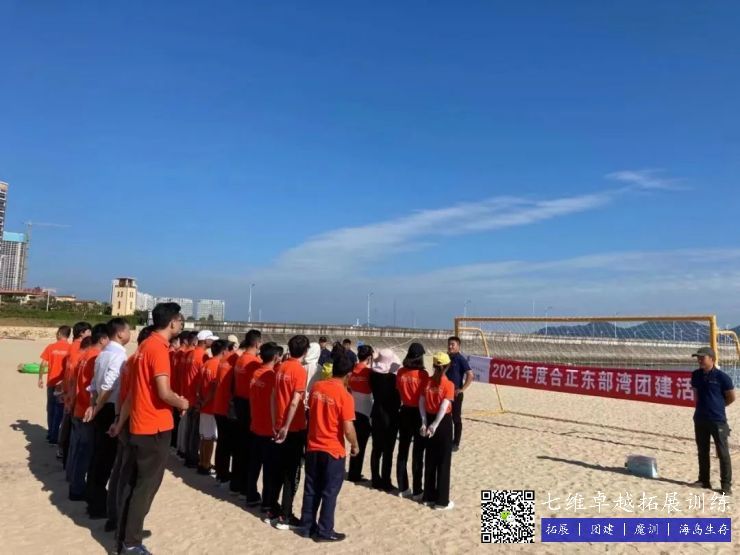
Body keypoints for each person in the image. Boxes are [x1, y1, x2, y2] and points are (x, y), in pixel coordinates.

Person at [112, 302, 188, 554]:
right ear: (172, 322)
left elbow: (133, 393)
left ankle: (125, 536)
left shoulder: (143, 347)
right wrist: (181, 402)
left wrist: (120, 422)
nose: (181, 323)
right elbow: (164, 392)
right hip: (154, 427)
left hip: (138, 424)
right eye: (180, 319)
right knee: (145, 487)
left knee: (133, 484)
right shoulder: (158, 349)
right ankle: (131, 543)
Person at [298, 346, 359, 543]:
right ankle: (325, 530)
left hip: (313, 445)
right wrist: (355, 445)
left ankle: (306, 526)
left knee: (311, 488)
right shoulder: (345, 396)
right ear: (348, 374)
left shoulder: (317, 387)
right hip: (332, 449)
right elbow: (348, 428)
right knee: (329, 492)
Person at [105, 325, 154, 534]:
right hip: (133, 420)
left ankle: (114, 517)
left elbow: (121, 395)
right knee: (128, 475)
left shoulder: (130, 361)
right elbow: (131, 396)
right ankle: (120, 521)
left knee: (120, 470)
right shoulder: (137, 363)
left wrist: (118, 419)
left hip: (124, 418)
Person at [85, 318, 131, 519]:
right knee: (106, 459)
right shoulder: (119, 355)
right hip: (109, 408)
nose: (130, 334)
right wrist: (97, 407)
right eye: (128, 330)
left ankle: (92, 498)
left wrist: (94, 404)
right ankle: (98, 505)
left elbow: (94, 384)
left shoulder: (103, 354)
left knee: (98, 455)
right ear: (120, 333)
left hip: (102, 407)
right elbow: (108, 386)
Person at [68, 323, 109, 501]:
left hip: (79, 406)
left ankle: (73, 481)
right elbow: (95, 386)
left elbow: (74, 380)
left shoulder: (85, 354)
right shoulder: (96, 357)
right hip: (87, 409)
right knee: (85, 452)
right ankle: (77, 489)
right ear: (102, 339)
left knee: (77, 448)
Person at [273, 335, 310, 530]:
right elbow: (295, 401)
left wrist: (275, 422)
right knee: (292, 472)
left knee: (279, 469)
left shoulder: (281, 367)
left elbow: (274, 396)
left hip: (280, 422)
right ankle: (285, 515)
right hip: (293, 426)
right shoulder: (299, 370)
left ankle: (273, 508)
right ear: (305, 351)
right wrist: (286, 426)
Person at [691, 346, 735, 495]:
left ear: (712, 359)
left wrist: (718, 406)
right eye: (698, 358)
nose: (699, 360)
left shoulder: (722, 377)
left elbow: (731, 397)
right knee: (702, 451)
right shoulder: (696, 375)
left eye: (702, 357)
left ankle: (726, 485)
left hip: (717, 420)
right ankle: (704, 480)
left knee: (723, 453)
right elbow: (696, 394)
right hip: (700, 418)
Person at [246, 342, 280, 512]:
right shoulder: (271, 376)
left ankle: (251, 495)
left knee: (254, 464)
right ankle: (267, 502)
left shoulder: (256, 373)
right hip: (267, 427)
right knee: (269, 468)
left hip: (256, 424)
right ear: (275, 357)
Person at [420, 352, 455, 510]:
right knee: (443, 462)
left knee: (430, 459)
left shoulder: (427, 382)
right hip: (442, 423)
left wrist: (424, 422)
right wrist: (434, 424)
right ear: (447, 366)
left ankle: (428, 496)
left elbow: (421, 402)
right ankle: (441, 501)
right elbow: (444, 406)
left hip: (429, 418)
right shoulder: (448, 384)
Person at [231, 329, 262, 496]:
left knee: (239, 446)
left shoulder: (240, 359)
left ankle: (236, 483)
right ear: (257, 343)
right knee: (248, 449)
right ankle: (244, 486)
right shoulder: (253, 362)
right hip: (248, 404)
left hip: (238, 402)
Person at [395, 342, 428, 499]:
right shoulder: (423, 375)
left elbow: (398, 390)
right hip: (418, 413)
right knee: (418, 453)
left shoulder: (401, 372)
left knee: (403, 450)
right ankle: (417, 489)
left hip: (405, 411)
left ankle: (403, 487)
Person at [59, 322, 92, 465]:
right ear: (82, 333)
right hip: (73, 393)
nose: (90, 334)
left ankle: (63, 450)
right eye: (88, 331)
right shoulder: (78, 348)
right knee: (69, 424)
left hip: (70, 390)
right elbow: (72, 371)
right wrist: (68, 393)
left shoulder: (73, 346)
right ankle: (63, 451)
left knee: (68, 422)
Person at [369, 348, 401, 491]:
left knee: (376, 449)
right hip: (390, 415)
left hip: (377, 412)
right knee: (388, 450)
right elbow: (398, 398)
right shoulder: (393, 379)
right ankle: (386, 480)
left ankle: (375, 479)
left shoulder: (373, 375)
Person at [183, 330, 215, 467]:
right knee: (195, 431)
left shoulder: (191, 353)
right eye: (211, 339)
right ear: (205, 341)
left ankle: (188, 456)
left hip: (189, 395)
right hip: (196, 397)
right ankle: (192, 458)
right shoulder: (203, 356)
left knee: (190, 429)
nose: (213, 342)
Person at [197, 339, 228, 476]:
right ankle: (206, 464)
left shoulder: (207, 363)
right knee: (209, 438)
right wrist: (205, 402)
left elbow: (199, 384)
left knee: (204, 437)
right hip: (210, 407)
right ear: (223, 351)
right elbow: (213, 388)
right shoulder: (217, 365)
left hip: (204, 405)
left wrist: (200, 400)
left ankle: (202, 462)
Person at [38, 325, 71, 445]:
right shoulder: (71, 348)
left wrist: (40, 378)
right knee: (60, 409)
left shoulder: (51, 347)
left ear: (59, 334)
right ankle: (56, 434)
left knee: (51, 408)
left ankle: (51, 432)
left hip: (52, 382)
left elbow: (43, 364)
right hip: (64, 384)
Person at [347, 344, 374, 483]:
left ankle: (352, 471)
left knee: (354, 442)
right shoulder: (369, 372)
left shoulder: (352, 369)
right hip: (365, 411)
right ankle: (355, 474)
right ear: (369, 357)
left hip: (353, 409)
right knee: (361, 444)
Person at [213, 340, 238, 486]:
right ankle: (224, 476)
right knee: (228, 444)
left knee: (222, 443)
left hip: (219, 406)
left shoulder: (222, 361)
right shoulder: (233, 360)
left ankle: (220, 473)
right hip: (227, 409)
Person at [446, 336, 473, 451]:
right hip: (444, 392)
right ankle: (446, 439)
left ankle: (456, 442)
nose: (450, 346)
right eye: (449, 344)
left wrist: (462, 389)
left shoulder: (461, 359)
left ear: (458, 346)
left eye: (453, 344)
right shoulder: (446, 357)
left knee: (456, 418)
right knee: (445, 417)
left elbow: (470, 375)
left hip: (456, 393)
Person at [176, 331, 196, 458]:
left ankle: (179, 447)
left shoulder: (185, 353)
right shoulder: (188, 354)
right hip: (187, 393)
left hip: (182, 390)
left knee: (182, 423)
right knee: (186, 424)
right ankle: (182, 449)